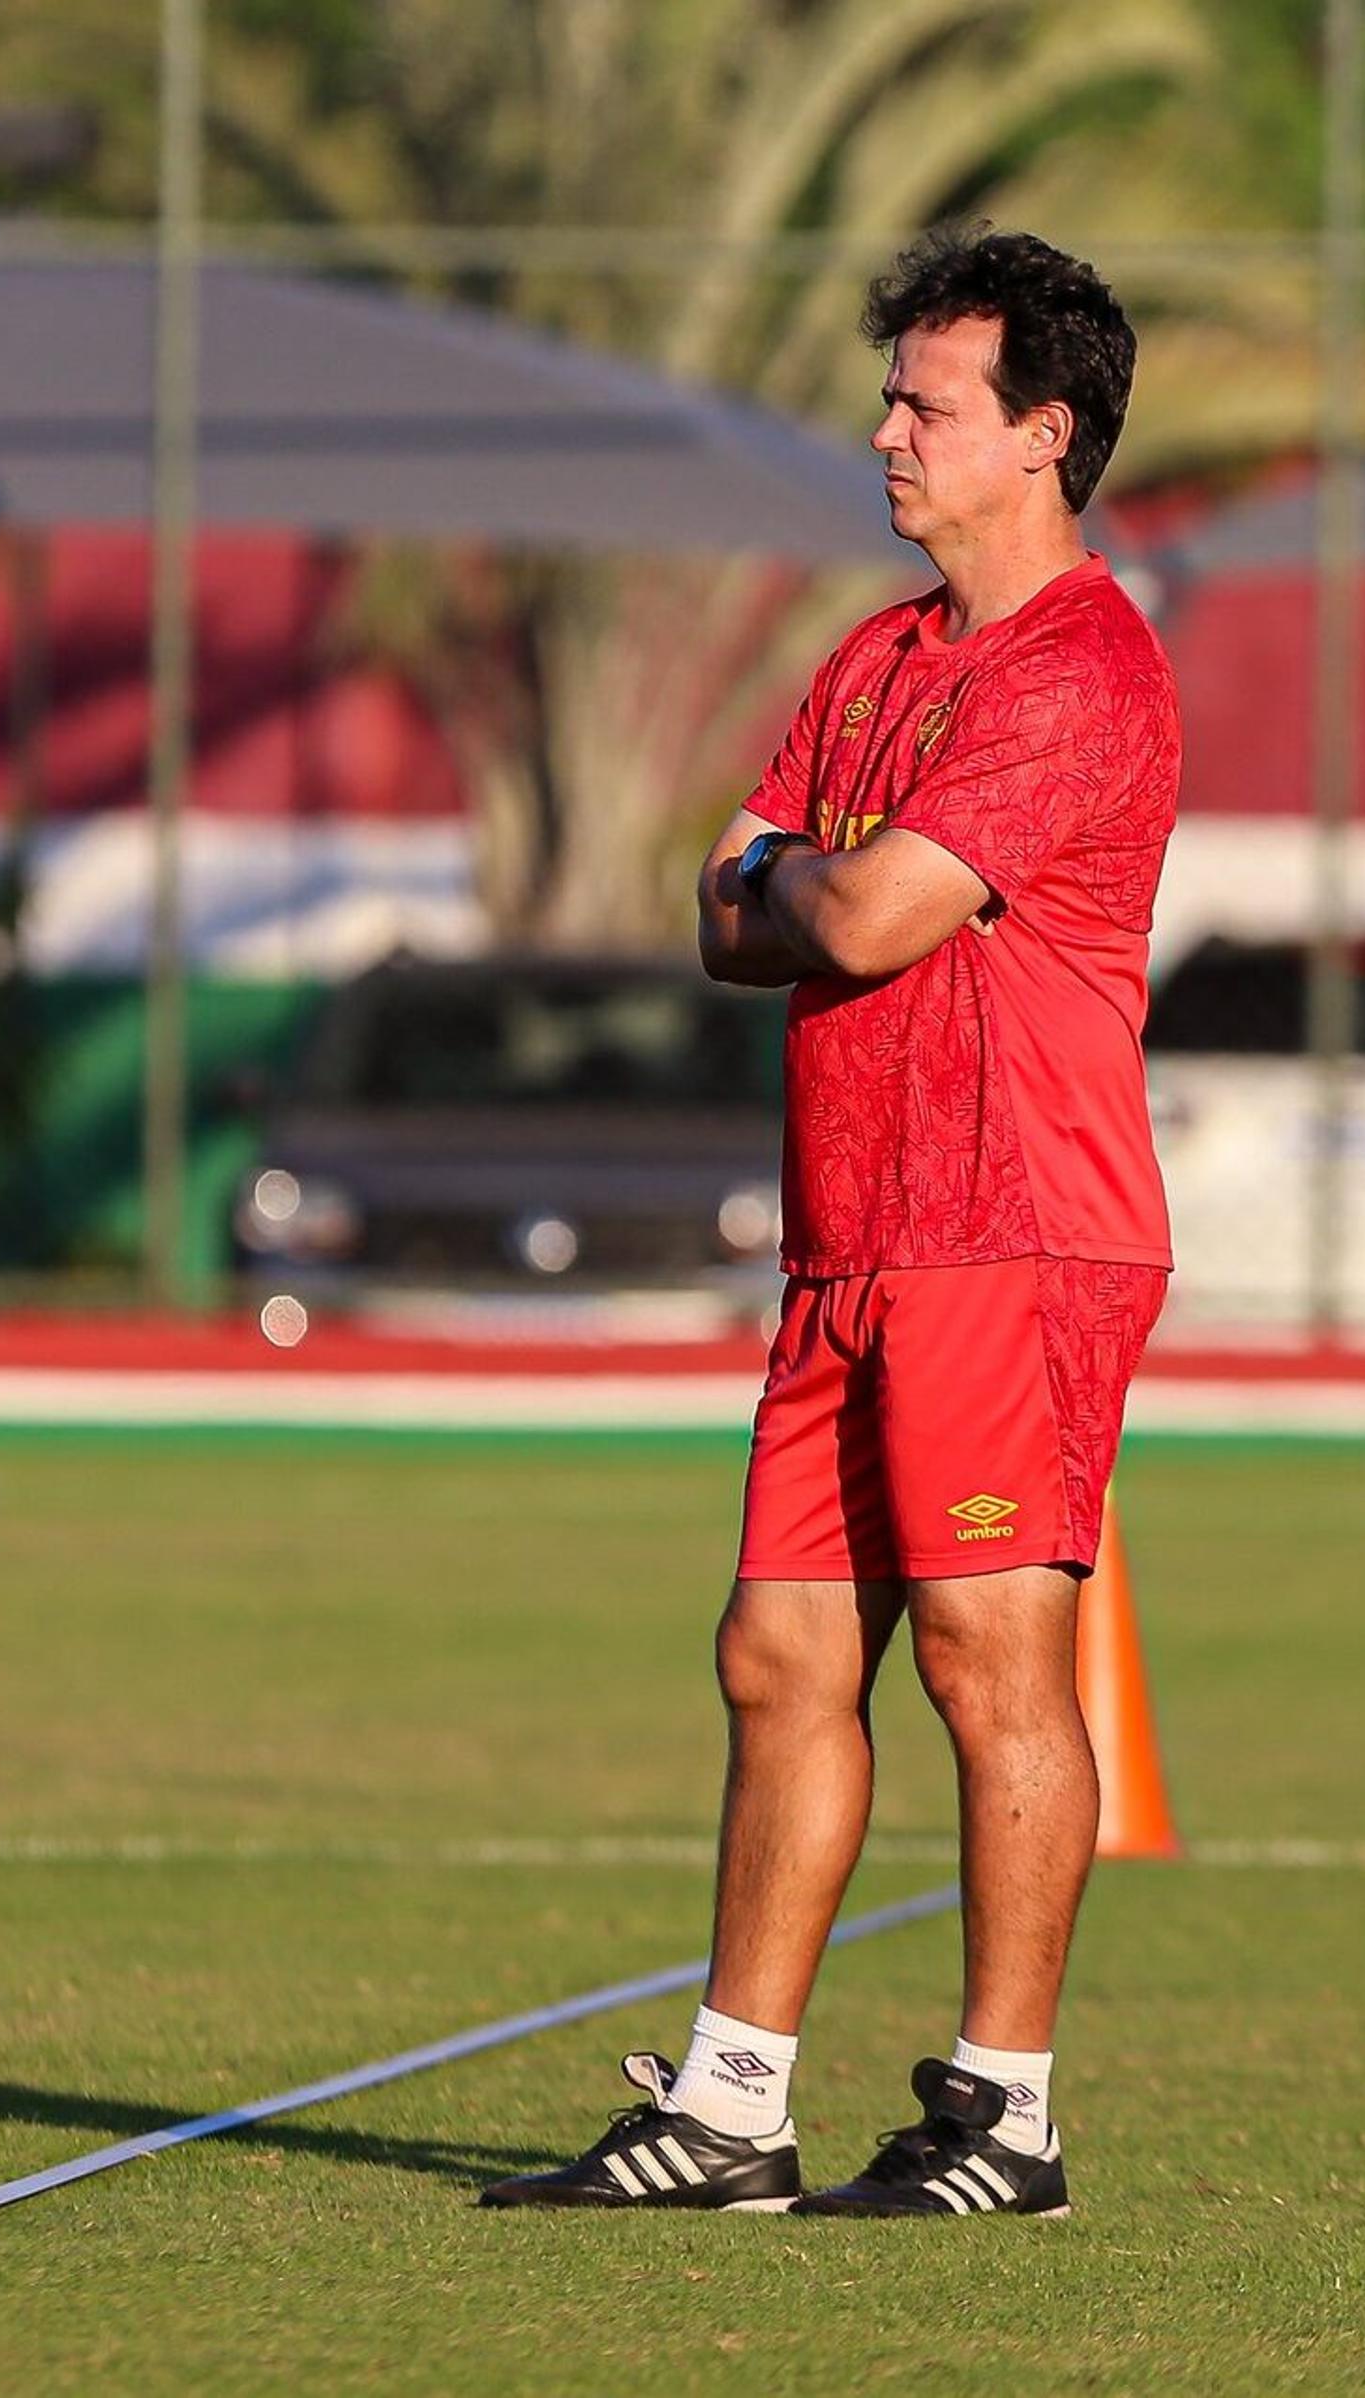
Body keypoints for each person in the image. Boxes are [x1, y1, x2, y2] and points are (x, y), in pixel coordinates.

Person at [483, 225, 1176, 2220]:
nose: (884, 432)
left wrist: (803, 871)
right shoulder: (875, 658)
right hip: (848, 1236)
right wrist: (808, 872)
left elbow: (846, 912)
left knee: (986, 1661)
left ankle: (1004, 2112)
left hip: (1012, 1232)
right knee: (780, 1658)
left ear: (1038, 437)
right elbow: (721, 917)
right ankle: (727, 2104)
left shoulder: (1083, 669)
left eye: (924, 403)